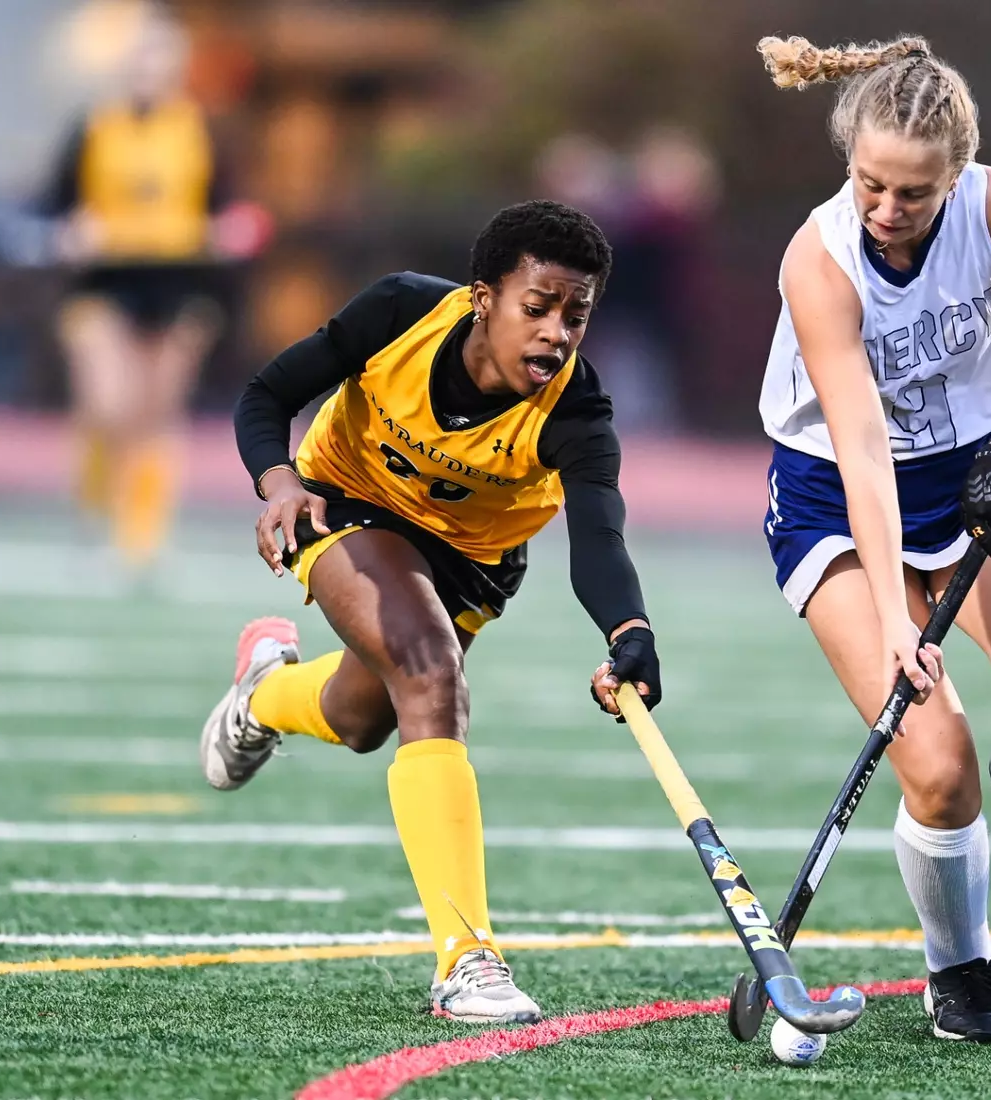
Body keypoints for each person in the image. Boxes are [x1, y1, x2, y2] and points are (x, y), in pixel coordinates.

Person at [206, 200, 662, 1025]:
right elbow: (267, 394)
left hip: (472, 560)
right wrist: (279, 485)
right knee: (430, 677)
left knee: (361, 718)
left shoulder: (576, 411)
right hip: (346, 501)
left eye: (576, 316)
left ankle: (264, 694)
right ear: (484, 298)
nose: (557, 333)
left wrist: (629, 631)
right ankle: (466, 960)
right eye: (538, 307)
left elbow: (599, 537)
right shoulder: (402, 311)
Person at [755, 35, 991, 1043]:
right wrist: (893, 622)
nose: (886, 209)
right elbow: (864, 449)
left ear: (955, 176)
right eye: (870, 183)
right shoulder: (818, 260)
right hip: (835, 497)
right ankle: (960, 967)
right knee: (939, 763)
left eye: (913, 193)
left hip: (971, 476)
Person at [43, 3, 267, 568]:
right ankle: (95, 503)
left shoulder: (202, 131)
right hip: (105, 282)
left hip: (179, 285)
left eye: (160, 60)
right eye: (140, 59)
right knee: (108, 404)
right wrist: (71, 231)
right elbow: (52, 208)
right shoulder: (92, 128)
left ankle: (140, 537)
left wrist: (228, 230)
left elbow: (229, 210)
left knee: (157, 412)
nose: (149, 71)